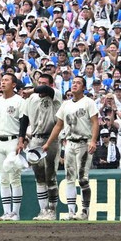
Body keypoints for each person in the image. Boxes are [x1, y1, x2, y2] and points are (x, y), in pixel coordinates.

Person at [43, 76, 99, 221]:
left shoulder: (89, 102)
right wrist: (48, 143)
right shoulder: (66, 104)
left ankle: (85, 211)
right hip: (69, 143)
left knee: (82, 179)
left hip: (84, 142)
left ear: (84, 87)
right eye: (73, 83)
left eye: (78, 83)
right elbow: (58, 125)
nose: (74, 85)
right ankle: (71, 211)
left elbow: (95, 122)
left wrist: (93, 140)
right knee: (69, 178)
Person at [19, 75, 61, 221]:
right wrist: (21, 139)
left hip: (51, 138)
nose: (41, 86)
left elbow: (44, 89)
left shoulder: (55, 95)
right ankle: (43, 210)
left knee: (50, 175)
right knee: (39, 177)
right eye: (40, 83)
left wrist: (31, 90)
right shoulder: (32, 99)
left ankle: (52, 210)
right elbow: (24, 120)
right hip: (35, 139)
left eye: (45, 83)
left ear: (51, 85)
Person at [0, 73, 25, 221]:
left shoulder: (19, 101)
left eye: (6, 80)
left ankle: (15, 213)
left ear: (14, 84)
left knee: (14, 178)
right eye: (2, 80)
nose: (3, 83)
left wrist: (21, 140)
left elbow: (23, 121)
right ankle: (6, 212)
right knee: (3, 178)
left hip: (13, 140)